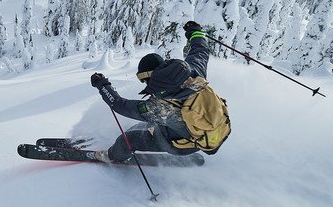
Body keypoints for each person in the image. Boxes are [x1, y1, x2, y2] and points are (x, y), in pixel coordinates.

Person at [90, 21, 229, 163]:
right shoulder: (193, 73)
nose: (145, 84)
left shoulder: (159, 108)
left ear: (150, 77)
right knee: (147, 123)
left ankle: (109, 157)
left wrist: (102, 85)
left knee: (128, 139)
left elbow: (119, 105)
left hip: (180, 145)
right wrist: (195, 32)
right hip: (211, 131)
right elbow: (200, 50)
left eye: (143, 80)